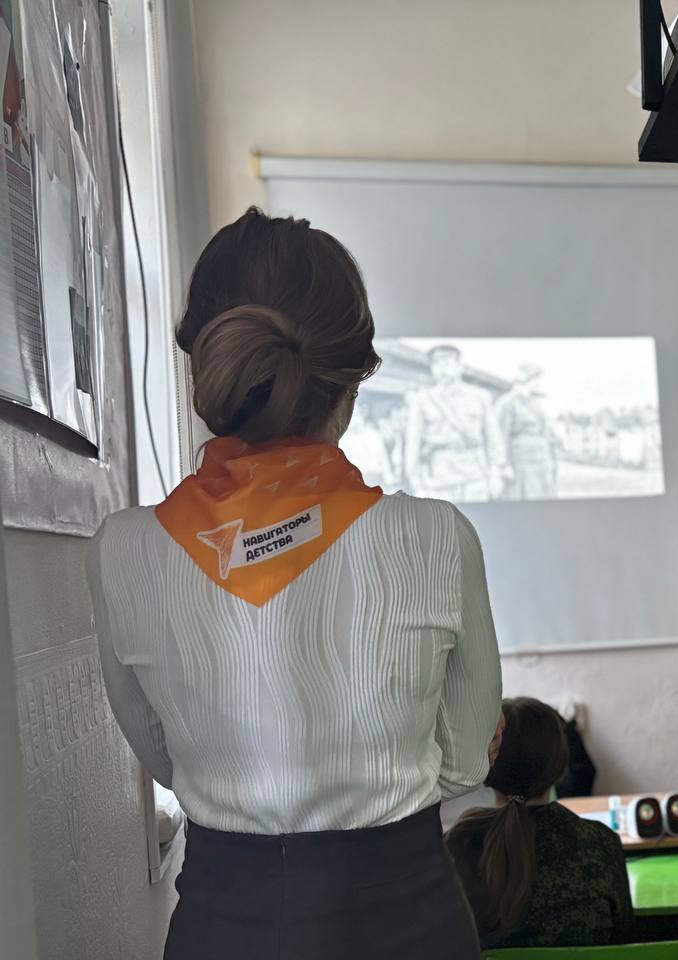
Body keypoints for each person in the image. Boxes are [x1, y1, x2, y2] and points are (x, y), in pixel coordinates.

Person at [86, 207, 504, 960]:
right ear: (353, 381)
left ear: (208, 365)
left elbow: (166, 760)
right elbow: (465, 762)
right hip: (409, 923)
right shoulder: (437, 538)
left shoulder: (122, 550)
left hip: (222, 929)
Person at [446, 698, 633, 949]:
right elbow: (623, 941)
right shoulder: (600, 843)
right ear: (560, 766)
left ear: (486, 765)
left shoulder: (457, 845)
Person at [403, 344, 507, 501]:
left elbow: (493, 437)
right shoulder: (422, 400)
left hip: (475, 474)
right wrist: (416, 482)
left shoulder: (480, 397)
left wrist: (496, 473)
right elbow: (413, 443)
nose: (442, 369)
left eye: (447, 363)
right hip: (439, 478)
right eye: (436, 364)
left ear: (460, 367)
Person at [495, 364, 557, 500]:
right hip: (521, 462)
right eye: (537, 379)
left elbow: (544, 431)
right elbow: (500, 436)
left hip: (540, 460)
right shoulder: (507, 403)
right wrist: (504, 465)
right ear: (529, 379)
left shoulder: (536, 403)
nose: (539, 383)